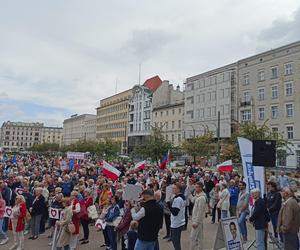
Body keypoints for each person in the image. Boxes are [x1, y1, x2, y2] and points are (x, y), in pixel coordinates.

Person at [189, 182, 207, 250]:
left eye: (197, 187)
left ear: (200, 188)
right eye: (195, 187)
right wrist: (189, 194)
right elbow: (192, 200)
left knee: (192, 237)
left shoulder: (202, 198)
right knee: (200, 237)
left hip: (197, 221)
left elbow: (200, 211)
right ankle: (201, 248)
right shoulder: (198, 195)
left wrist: (196, 222)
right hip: (197, 220)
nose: (195, 188)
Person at [169, 183, 186, 250]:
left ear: (178, 189)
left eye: (174, 188)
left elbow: (175, 212)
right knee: (174, 240)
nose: (172, 190)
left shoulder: (178, 199)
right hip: (178, 221)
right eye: (172, 188)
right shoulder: (179, 197)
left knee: (175, 241)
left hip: (177, 223)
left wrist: (168, 205)